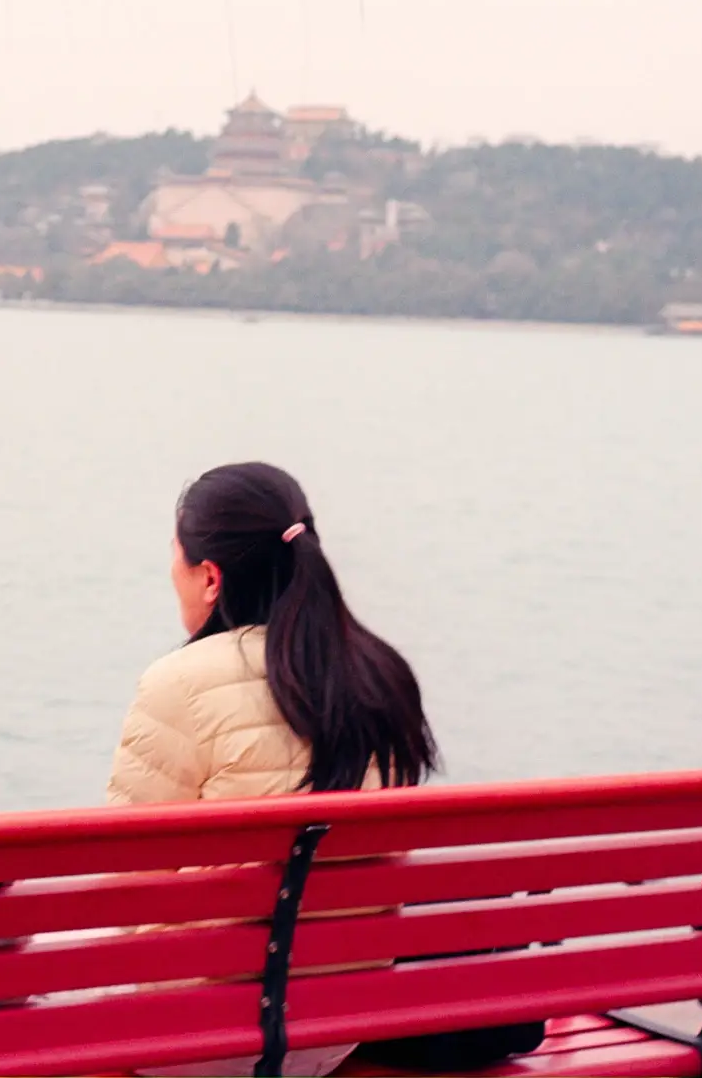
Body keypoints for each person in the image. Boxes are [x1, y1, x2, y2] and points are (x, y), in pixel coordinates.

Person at [106, 461, 438, 1078]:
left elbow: (128, 890)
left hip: (195, 1046)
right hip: (331, 1031)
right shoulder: (382, 676)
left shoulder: (176, 685)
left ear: (210, 578)